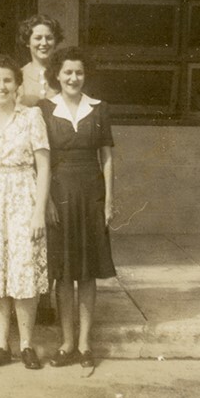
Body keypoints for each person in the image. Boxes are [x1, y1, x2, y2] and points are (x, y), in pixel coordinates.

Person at [0, 55, 51, 370]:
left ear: (17, 84)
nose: (2, 86)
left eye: (7, 80)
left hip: (23, 194)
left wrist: (38, 211)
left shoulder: (31, 117)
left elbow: (43, 166)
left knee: (24, 267)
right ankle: (1, 345)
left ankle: (27, 345)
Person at [37, 47, 116, 369]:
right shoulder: (44, 109)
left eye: (79, 73)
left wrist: (109, 200)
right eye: (67, 72)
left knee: (86, 273)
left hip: (90, 194)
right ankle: (66, 342)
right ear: (56, 74)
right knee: (63, 274)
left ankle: (84, 345)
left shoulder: (98, 109)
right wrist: (48, 202)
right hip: (59, 195)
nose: (73, 78)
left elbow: (107, 157)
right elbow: (40, 160)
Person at [17, 14, 64, 325]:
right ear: (28, 41)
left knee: (58, 225)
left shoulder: (64, 73)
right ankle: (38, 292)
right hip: (32, 156)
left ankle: (52, 293)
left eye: (48, 37)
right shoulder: (19, 76)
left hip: (61, 153)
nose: (43, 43)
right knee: (35, 225)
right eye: (38, 37)